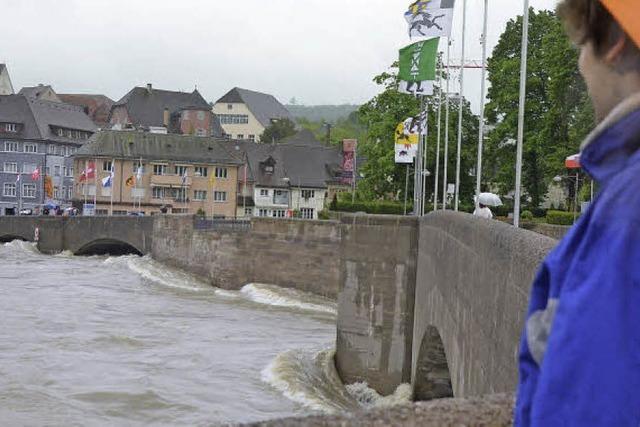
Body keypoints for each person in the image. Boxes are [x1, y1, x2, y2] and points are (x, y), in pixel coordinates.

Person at [516, 1, 640, 426]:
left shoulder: (630, 209)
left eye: (582, 46)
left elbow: (591, 403)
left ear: (615, 42)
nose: (582, 68)